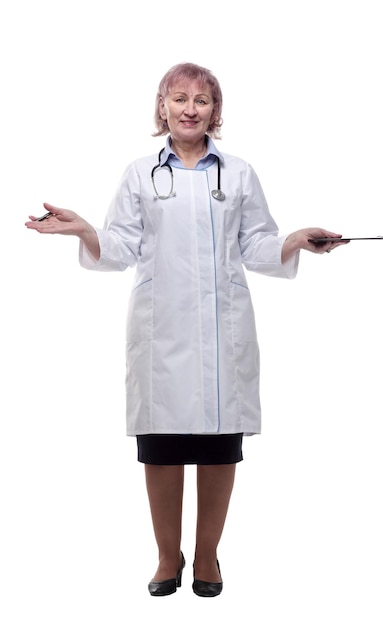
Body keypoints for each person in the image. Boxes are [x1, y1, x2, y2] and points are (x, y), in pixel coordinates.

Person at [25, 62, 348, 597]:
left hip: (223, 334)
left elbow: (257, 246)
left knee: (221, 448)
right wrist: (85, 230)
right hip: (163, 331)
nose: (190, 109)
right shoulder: (139, 173)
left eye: (201, 101)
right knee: (162, 448)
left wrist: (294, 240)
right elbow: (121, 248)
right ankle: (165, 557)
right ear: (163, 107)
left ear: (215, 111)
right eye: (179, 99)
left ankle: (207, 557)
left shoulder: (239, 173)